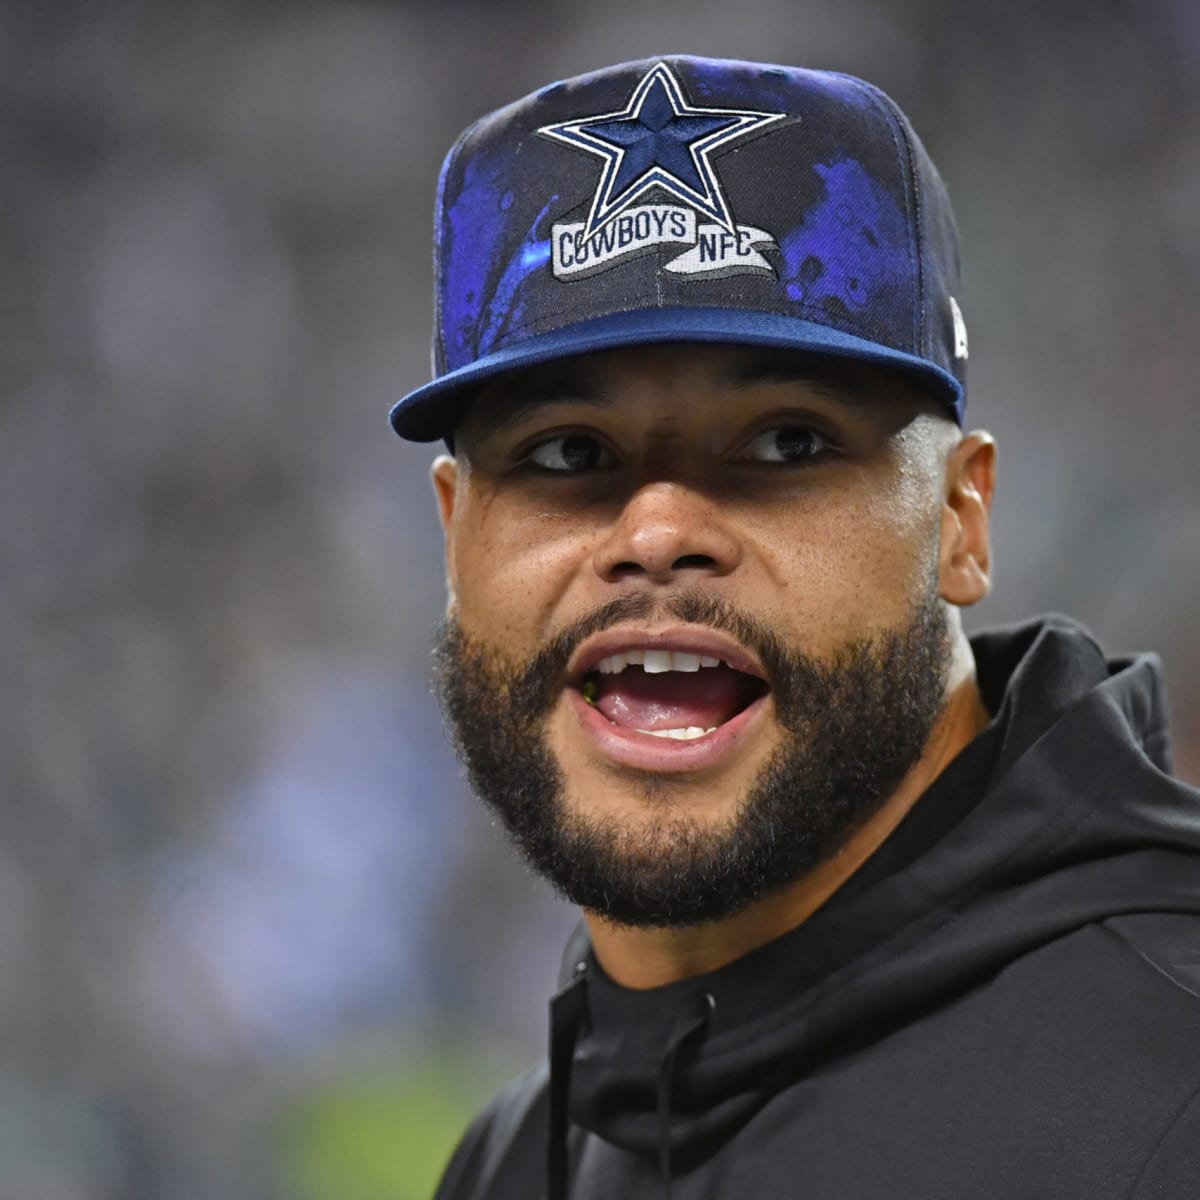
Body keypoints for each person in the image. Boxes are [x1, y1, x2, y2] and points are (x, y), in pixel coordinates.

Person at [389, 55, 1200, 1199]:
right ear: (454, 533)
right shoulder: (520, 1160)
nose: (659, 527)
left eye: (785, 443)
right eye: (567, 453)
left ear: (962, 519)